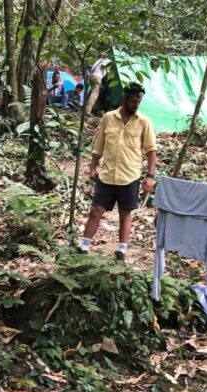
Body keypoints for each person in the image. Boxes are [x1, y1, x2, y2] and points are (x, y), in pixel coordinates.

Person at [78, 82, 157, 261]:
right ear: (125, 98)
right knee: (96, 210)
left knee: (125, 213)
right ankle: (84, 246)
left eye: (139, 102)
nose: (136, 105)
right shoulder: (108, 118)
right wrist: (93, 167)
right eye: (133, 101)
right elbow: (99, 145)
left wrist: (150, 176)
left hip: (130, 175)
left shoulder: (144, 122)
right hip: (107, 174)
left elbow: (151, 150)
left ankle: (121, 251)